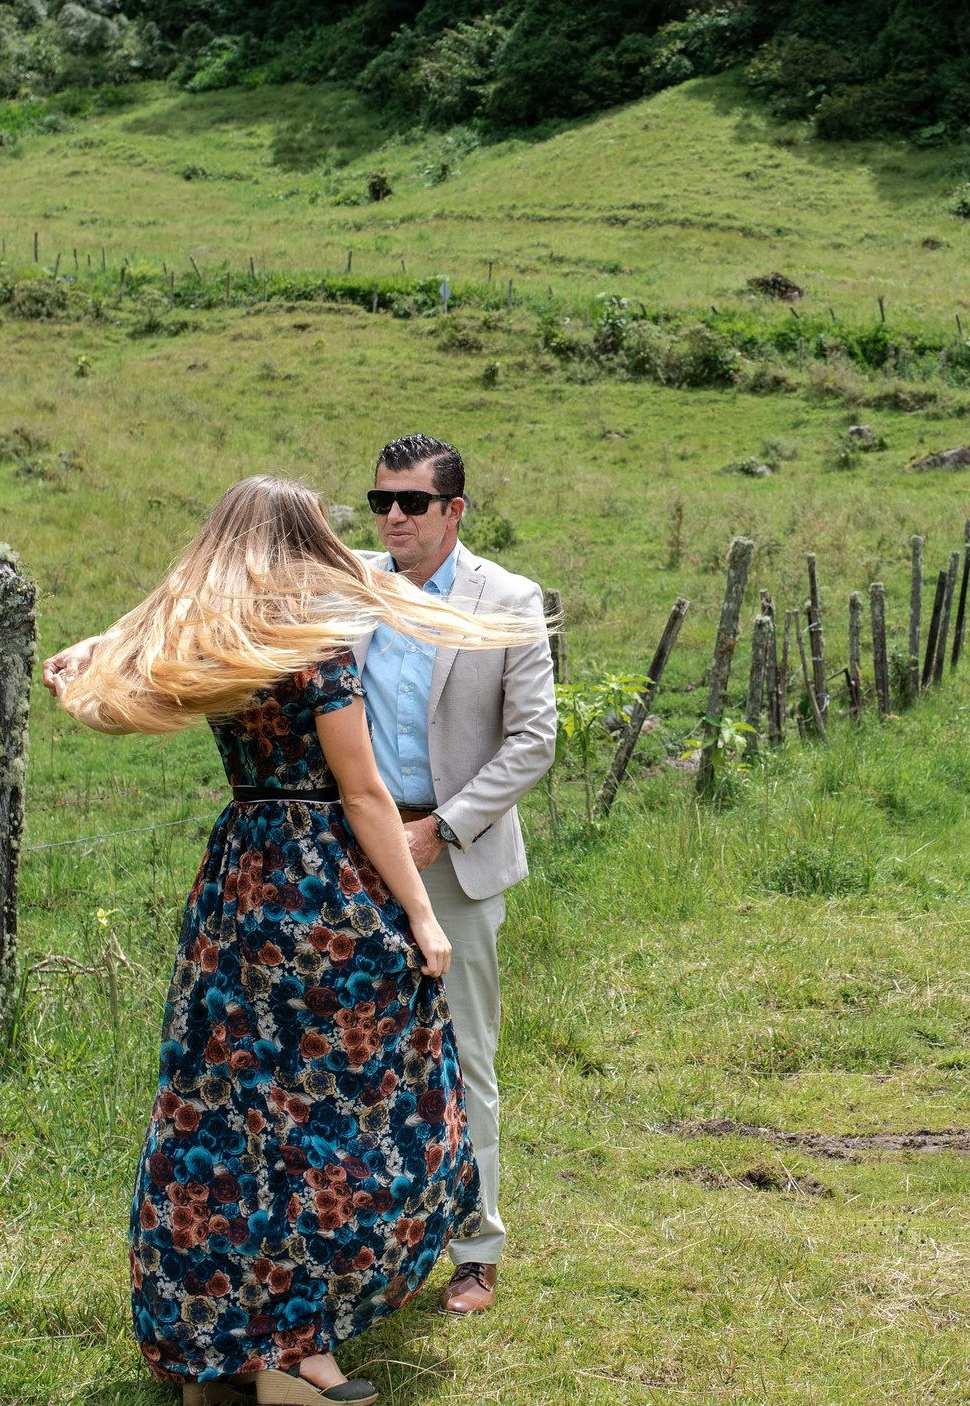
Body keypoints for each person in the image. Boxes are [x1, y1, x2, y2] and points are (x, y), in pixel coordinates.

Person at [46, 475, 535, 1406]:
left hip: (240, 878)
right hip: (320, 888)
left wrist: (87, 653)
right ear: (306, 540)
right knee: (337, 1117)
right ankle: (302, 1346)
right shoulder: (314, 649)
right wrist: (424, 918)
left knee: (225, 1114)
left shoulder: (215, 642)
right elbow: (363, 795)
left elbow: (133, 648)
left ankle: (224, 1350)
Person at [357, 433, 558, 1317]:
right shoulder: (355, 586)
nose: (392, 517)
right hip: (357, 854)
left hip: (456, 857)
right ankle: (375, 1245)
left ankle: (475, 1249)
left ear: (454, 510)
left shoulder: (508, 598)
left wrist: (441, 828)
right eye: (379, 502)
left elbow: (533, 740)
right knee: (358, 1055)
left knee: (464, 1051)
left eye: (410, 501)